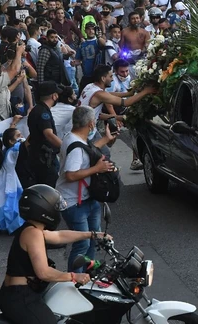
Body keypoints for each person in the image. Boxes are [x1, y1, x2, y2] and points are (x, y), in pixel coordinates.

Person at [0, 184, 107, 324]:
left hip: (19, 293)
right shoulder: (33, 234)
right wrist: (74, 276)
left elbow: (60, 236)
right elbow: (44, 272)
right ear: (44, 210)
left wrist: (92, 234)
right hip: (21, 297)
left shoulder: (33, 230)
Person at [55, 106, 116, 272]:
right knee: (82, 243)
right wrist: (97, 169)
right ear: (91, 124)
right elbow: (70, 175)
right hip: (74, 202)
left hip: (87, 199)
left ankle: (88, 275)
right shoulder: (75, 147)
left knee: (93, 239)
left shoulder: (74, 138)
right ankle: (76, 280)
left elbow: (87, 150)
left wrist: (105, 139)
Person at [27, 81, 64, 188]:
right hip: (44, 159)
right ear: (54, 96)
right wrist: (65, 147)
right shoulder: (43, 112)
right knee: (50, 189)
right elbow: (48, 134)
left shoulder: (36, 109)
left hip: (37, 156)